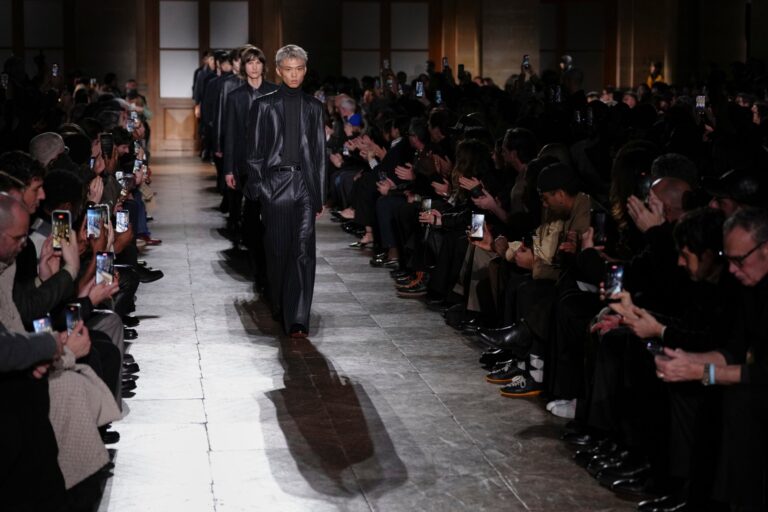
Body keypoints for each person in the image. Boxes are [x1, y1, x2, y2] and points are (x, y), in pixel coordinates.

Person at [245, 44, 325, 338]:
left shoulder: (315, 107)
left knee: (303, 250)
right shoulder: (263, 105)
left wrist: (319, 195)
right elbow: (254, 152)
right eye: (288, 69)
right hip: (275, 184)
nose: (294, 75)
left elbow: (319, 153)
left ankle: (298, 319)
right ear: (279, 71)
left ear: (305, 71)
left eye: (299, 69)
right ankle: (280, 302)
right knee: (278, 252)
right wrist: (259, 189)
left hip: (304, 184)